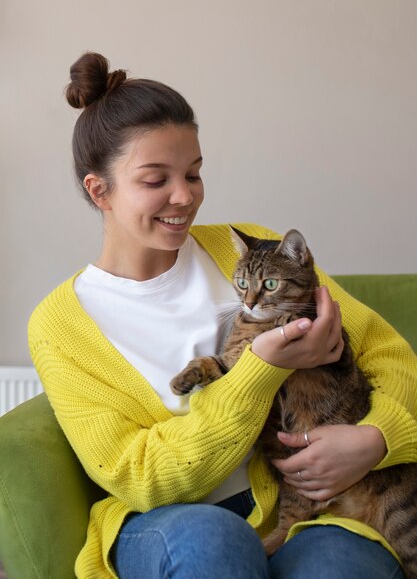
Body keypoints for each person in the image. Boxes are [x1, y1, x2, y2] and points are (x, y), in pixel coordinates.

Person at [28, 51, 417, 579]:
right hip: (170, 520)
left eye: (194, 173)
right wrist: (265, 366)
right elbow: (142, 477)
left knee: (341, 568)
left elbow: (386, 351)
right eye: (155, 179)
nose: (184, 197)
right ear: (101, 190)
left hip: (305, 506)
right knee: (212, 542)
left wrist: (377, 439)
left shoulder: (243, 250)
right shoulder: (59, 325)